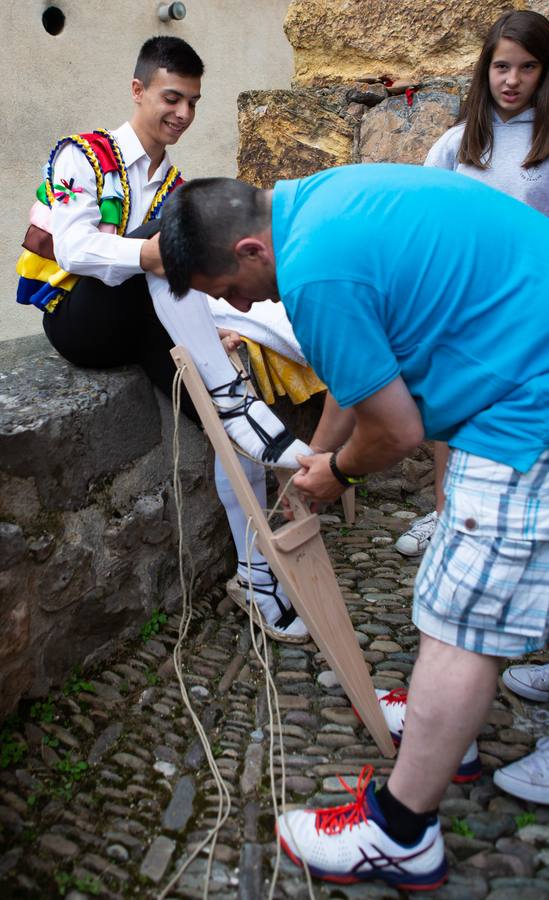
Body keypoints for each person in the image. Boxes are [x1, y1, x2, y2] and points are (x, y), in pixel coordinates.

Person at [159, 157, 549, 888]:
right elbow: (359, 381)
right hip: (528, 351)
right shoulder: (316, 204)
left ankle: (400, 832)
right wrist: (325, 451)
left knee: (459, 613)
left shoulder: (311, 275)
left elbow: (397, 433)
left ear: (249, 252)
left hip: (529, 395)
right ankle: (449, 734)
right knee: (496, 588)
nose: (241, 309)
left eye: (232, 293)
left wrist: (335, 474)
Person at [15, 35, 312, 643]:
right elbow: (75, 249)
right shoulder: (82, 154)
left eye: (193, 103)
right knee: (176, 232)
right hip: (80, 319)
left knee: (230, 435)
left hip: (149, 320)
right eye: (171, 98)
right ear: (138, 90)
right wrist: (155, 249)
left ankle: (257, 575)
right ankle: (258, 381)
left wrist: (212, 324)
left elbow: (184, 283)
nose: (182, 114)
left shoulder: (173, 178)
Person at [396, 8, 549, 558]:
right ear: (486, 69)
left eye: (527, 67)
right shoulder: (458, 143)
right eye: (502, 66)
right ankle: (445, 515)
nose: (511, 80)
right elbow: (425, 224)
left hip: (529, 310)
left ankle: (517, 528)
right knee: (451, 412)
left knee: (519, 420)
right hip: (461, 305)